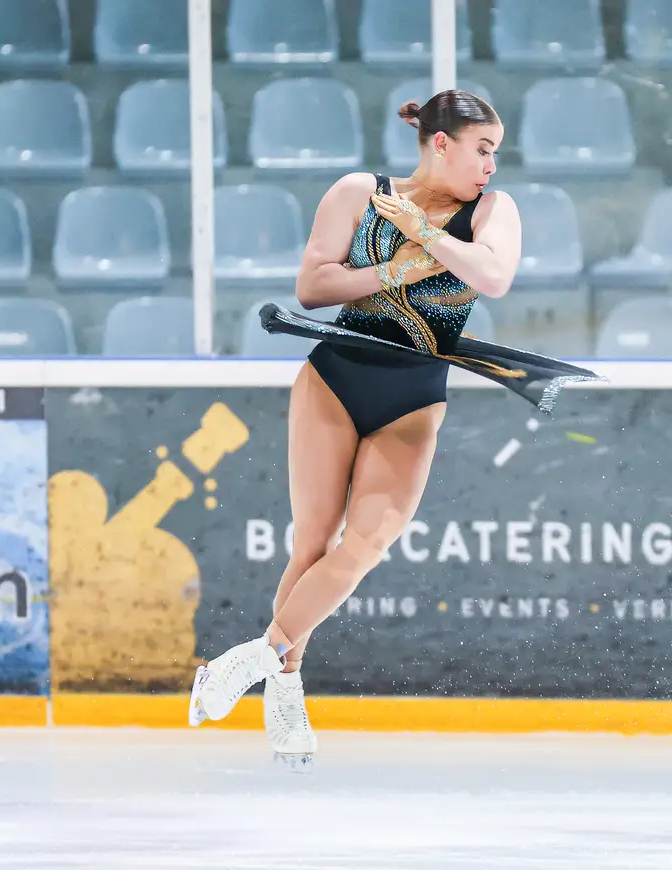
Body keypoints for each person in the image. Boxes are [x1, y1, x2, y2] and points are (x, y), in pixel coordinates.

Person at [189, 90, 601, 769]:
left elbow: (492, 277)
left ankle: (249, 663)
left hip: (413, 396)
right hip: (336, 377)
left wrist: (425, 231)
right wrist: (392, 266)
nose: (492, 166)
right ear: (442, 144)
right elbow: (313, 289)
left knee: (368, 543)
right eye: (483, 149)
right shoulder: (359, 192)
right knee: (314, 543)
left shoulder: (493, 212)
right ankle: (284, 689)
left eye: (495, 152)